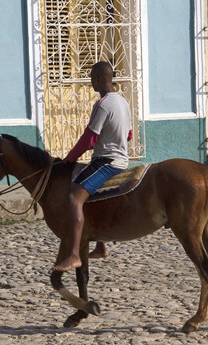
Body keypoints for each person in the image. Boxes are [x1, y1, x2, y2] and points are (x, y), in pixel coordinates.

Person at [52, 61, 132, 272]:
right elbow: (129, 135)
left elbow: (89, 139)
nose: (90, 82)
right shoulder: (123, 102)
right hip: (122, 158)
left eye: (91, 78)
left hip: (106, 162)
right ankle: (100, 245)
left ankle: (74, 254)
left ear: (97, 79)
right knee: (86, 188)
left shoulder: (103, 104)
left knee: (73, 197)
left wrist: (69, 158)